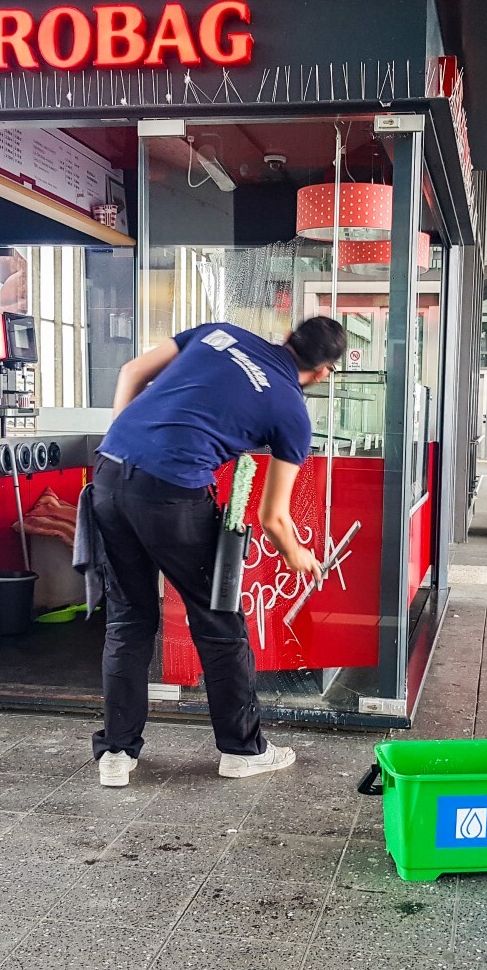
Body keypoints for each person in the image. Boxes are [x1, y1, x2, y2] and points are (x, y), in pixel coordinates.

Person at [91, 316, 346, 787]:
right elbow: (274, 519)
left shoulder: (220, 333)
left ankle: (116, 755)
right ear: (325, 372)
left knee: (129, 618)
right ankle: (242, 750)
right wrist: (300, 556)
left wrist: (126, 445)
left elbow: (131, 371)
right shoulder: (291, 411)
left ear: (288, 336)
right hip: (174, 493)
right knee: (219, 623)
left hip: (108, 473)